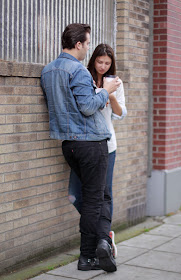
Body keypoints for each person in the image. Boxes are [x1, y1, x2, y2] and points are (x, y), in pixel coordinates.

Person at [41, 23, 121, 272]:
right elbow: (88, 107)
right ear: (78, 44)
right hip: (91, 143)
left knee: (90, 199)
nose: (87, 48)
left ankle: (101, 245)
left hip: (69, 145)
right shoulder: (79, 71)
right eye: (87, 44)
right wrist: (105, 91)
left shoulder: (48, 71)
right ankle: (90, 255)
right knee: (95, 201)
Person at [68, 43, 127, 259]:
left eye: (107, 63)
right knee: (75, 195)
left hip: (107, 146)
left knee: (103, 195)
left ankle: (102, 237)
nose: (102, 66)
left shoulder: (116, 83)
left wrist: (110, 95)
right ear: (93, 60)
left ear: (112, 64)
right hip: (84, 143)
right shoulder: (85, 79)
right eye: (99, 62)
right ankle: (104, 233)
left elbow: (121, 114)